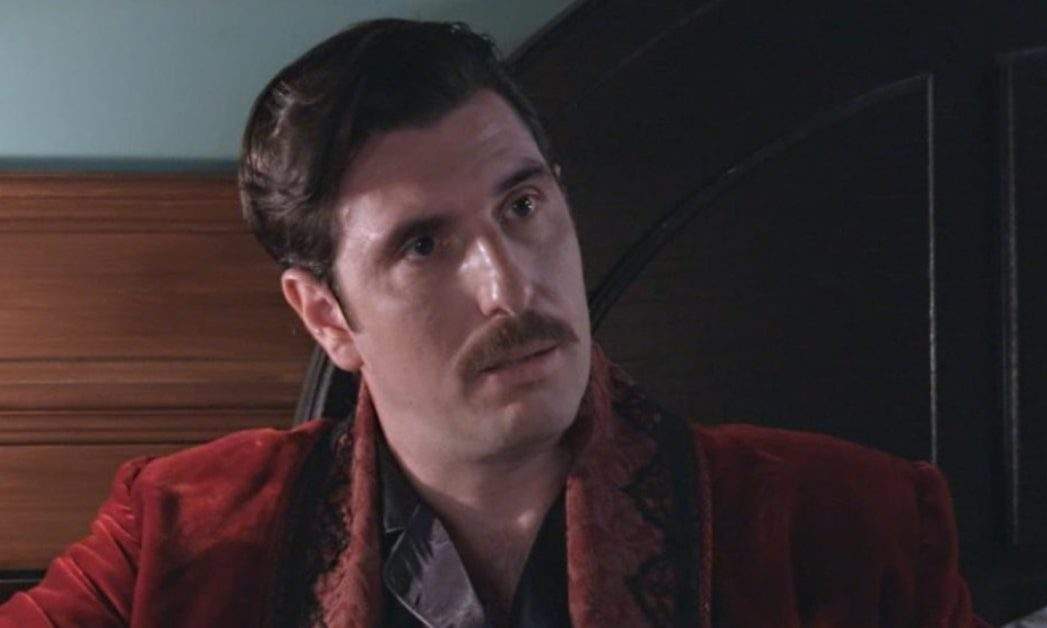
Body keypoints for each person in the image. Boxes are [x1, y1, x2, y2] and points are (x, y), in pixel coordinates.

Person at [0, 19, 989, 627]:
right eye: (423, 246)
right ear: (327, 316)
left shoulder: (852, 533)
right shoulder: (181, 537)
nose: (511, 289)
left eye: (522, 206)